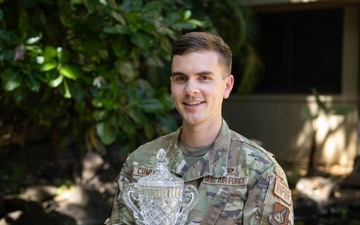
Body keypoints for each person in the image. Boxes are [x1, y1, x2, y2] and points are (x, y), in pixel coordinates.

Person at [105, 32, 294, 225]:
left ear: (227, 86)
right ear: (171, 86)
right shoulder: (141, 162)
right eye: (181, 78)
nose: (190, 89)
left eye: (203, 77)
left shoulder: (258, 170)